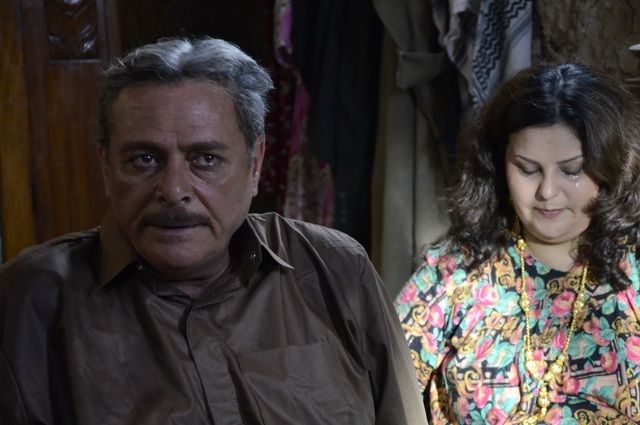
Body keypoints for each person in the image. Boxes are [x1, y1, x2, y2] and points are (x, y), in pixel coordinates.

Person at [0, 37, 427, 425]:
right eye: (144, 159)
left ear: (255, 164)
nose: (173, 191)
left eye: (205, 159)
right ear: (107, 169)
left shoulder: (336, 269)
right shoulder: (31, 300)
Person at [395, 63, 640, 424]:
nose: (547, 191)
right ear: (498, 163)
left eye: (571, 170)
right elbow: (379, 387)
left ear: (611, 167)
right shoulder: (455, 273)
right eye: (527, 168)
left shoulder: (633, 267)